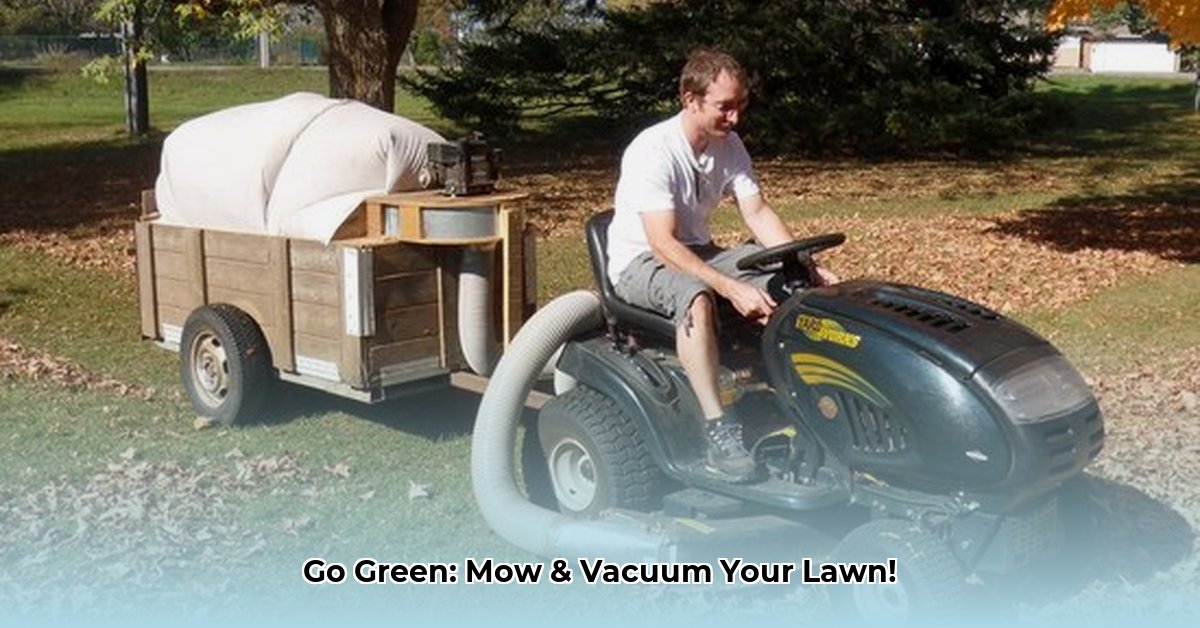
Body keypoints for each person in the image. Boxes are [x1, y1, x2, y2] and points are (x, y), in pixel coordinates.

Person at [606, 48, 834, 482]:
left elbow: (758, 214)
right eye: (724, 107)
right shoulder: (652, 151)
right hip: (640, 261)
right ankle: (719, 429)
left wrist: (805, 264)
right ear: (690, 100)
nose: (735, 118)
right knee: (696, 298)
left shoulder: (728, 145)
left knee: (792, 281)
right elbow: (662, 244)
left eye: (739, 106)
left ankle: (809, 395)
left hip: (697, 249)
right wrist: (730, 288)